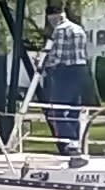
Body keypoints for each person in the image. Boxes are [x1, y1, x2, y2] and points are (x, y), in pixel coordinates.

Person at [38, 8, 97, 158]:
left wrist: (42, 63)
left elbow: (57, 56)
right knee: (73, 110)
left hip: (65, 72)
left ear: (52, 17)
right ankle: (75, 143)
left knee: (55, 110)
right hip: (81, 70)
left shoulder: (60, 30)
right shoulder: (79, 29)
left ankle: (71, 143)